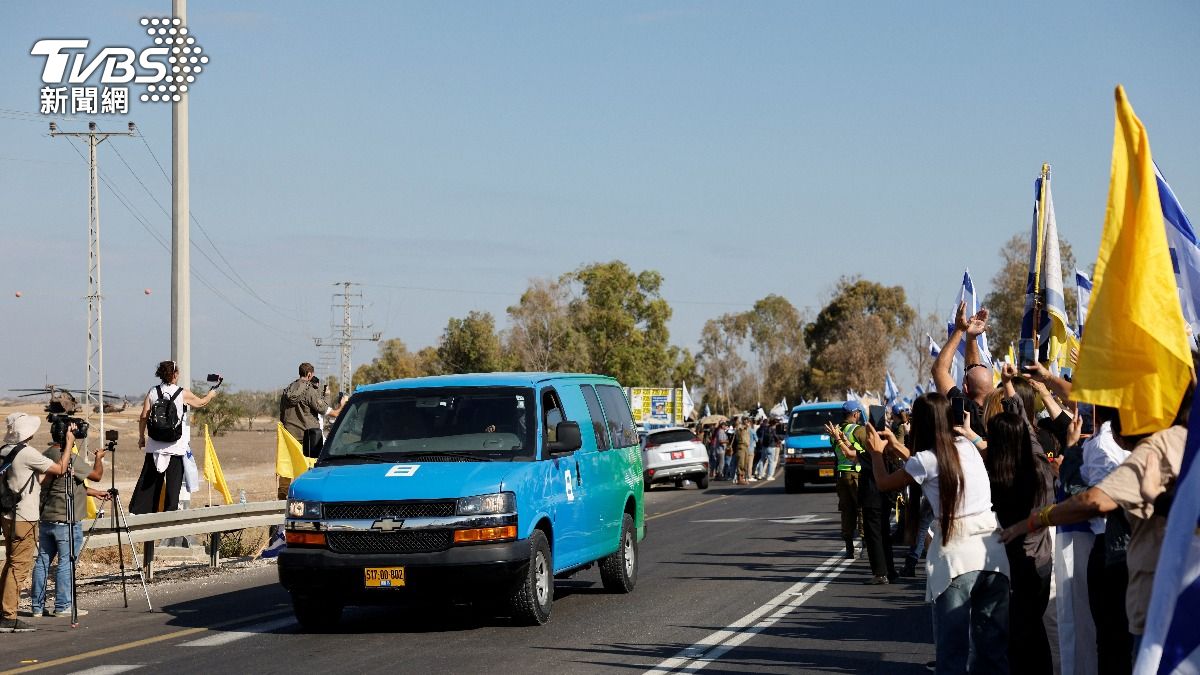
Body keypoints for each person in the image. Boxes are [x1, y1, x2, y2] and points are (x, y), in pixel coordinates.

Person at [999, 385, 1191, 663]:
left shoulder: (1156, 446)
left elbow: (1094, 501)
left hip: (1137, 571)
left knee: (1118, 653)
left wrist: (1033, 521)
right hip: (1170, 576)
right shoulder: (1185, 439)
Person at [866, 394, 1010, 675]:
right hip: (994, 553)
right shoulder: (966, 446)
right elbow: (932, 467)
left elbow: (885, 482)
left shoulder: (926, 459)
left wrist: (875, 453)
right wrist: (896, 446)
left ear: (919, 423)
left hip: (956, 560)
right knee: (993, 652)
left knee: (953, 653)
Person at [982, 412, 1054, 675]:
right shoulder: (1040, 467)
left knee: (1017, 637)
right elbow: (1032, 439)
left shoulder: (998, 480)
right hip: (1042, 560)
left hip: (1013, 565)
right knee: (1035, 631)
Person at [1, 413, 73, 633]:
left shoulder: (4, 451)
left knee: (10, 563)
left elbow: (30, 480)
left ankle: (3, 610)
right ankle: (8, 616)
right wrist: (69, 443)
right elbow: (61, 468)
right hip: (25, 517)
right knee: (19, 567)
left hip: (7, 515)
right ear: (28, 433)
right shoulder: (27, 453)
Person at [31, 429, 109, 618]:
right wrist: (99, 458)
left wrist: (94, 493)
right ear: (68, 436)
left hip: (47, 519)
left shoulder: (45, 455)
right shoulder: (70, 458)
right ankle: (63, 605)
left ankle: (37, 607)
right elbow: (96, 475)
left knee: (42, 561)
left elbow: (67, 484)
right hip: (67, 520)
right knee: (67, 562)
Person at [130, 360, 219, 514]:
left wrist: (141, 437)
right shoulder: (182, 393)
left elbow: (144, 416)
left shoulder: (153, 391)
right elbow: (201, 403)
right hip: (175, 447)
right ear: (175, 375)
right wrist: (211, 394)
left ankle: (142, 515)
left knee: (149, 486)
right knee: (173, 487)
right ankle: (169, 517)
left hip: (154, 447)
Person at [279, 363, 345, 498]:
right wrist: (340, 403)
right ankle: (307, 494)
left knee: (288, 464)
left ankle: (283, 492)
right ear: (309, 375)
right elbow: (326, 411)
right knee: (312, 466)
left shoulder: (287, 391)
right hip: (308, 438)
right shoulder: (309, 391)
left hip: (289, 436)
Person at [933, 301, 994, 440]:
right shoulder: (1001, 415)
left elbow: (939, 370)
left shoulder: (965, 411)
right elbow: (973, 370)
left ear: (965, 388)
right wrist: (972, 337)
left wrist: (959, 330)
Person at [824, 402, 864, 561]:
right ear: (855, 414)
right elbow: (864, 452)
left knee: (847, 511)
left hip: (841, 476)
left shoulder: (835, 432)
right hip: (856, 475)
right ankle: (865, 546)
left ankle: (849, 548)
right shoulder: (858, 430)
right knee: (862, 509)